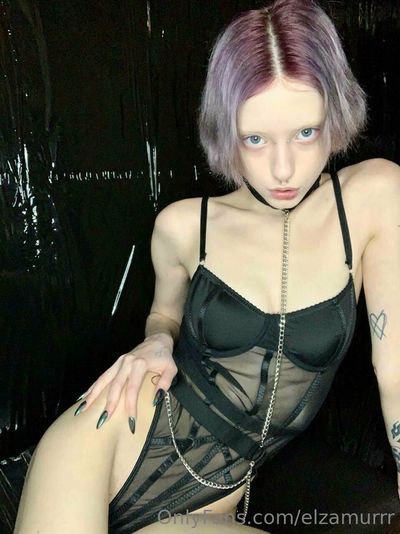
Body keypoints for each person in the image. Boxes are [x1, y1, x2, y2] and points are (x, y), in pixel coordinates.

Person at [14, 0, 400, 533]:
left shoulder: (374, 195)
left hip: (206, 504)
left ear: (334, 113)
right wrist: (156, 340)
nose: (283, 169)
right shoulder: (183, 226)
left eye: (305, 133)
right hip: (106, 439)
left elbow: (395, 370)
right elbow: (164, 315)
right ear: (227, 131)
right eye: (255, 139)